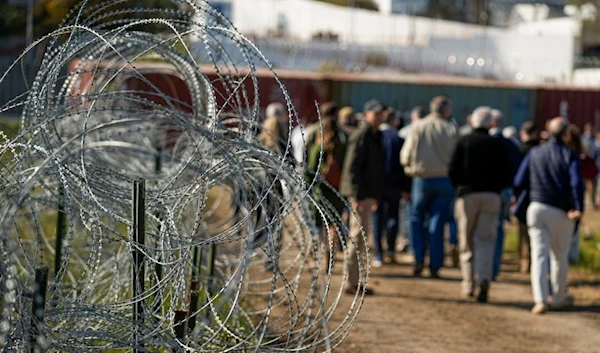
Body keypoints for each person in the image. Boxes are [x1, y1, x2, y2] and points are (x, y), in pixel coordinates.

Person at [514, 116, 584, 314]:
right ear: (566, 134)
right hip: (561, 211)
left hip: (536, 208)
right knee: (559, 256)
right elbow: (576, 184)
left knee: (539, 255)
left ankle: (540, 299)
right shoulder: (570, 156)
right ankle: (558, 297)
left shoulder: (535, 153)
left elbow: (519, 181)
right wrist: (578, 208)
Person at [449, 107, 512, 302]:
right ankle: (484, 278)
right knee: (486, 240)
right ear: (491, 123)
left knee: (466, 240)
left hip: (468, 196)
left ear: (472, 122)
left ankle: (468, 283)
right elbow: (508, 172)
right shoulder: (498, 144)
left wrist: (459, 188)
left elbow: (452, 168)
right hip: (492, 196)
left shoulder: (464, 141)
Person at [400, 96, 458, 278]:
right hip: (444, 180)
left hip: (422, 179)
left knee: (416, 218)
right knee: (438, 222)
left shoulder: (418, 127)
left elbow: (405, 155)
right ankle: (435, 263)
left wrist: (410, 169)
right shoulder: (451, 129)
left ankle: (418, 258)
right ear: (446, 110)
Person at [339, 99, 386, 295]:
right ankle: (350, 282)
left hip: (367, 194)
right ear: (366, 114)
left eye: (381, 114)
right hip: (360, 194)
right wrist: (357, 194)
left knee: (362, 237)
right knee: (357, 237)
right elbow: (353, 166)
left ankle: (355, 280)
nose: (380, 117)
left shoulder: (375, 135)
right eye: (376, 114)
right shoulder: (362, 135)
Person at [305, 102, 348, 272]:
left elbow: (309, 165)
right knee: (333, 226)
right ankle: (329, 255)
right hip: (337, 188)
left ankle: (314, 252)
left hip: (319, 189)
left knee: (317, 224)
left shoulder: (315, 139)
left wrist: (307, 185)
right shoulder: (343, 139)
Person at [372, 108, 411, 267]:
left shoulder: (376, 137)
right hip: (395, 185)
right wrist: (406, 187)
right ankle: (391, 249)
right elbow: (404, 165)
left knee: (377, 219)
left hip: (377, 185)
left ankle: (378, 253)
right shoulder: (399, 138)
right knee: (393, 217)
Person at [489, 109, 521, 280]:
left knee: (485, 229)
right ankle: (495, 267)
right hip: (506, 191)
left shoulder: (486, 142)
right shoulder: (511, 144)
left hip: (489, 191)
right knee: (500, 227)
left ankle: (484, 268)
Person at [565, 125, 598, 264]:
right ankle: (573, 256)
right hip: (575, 196)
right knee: (574, 229)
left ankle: (570, 256)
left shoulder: (567, 154)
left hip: (562, 196)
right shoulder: (580, 156)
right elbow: (593, 171)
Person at [515, 121, 540, 273]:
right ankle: (532, 260)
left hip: (523, 195)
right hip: (539, 195)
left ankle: (524, 261)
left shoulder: (519, 150)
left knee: (523, 229)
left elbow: (517, 178)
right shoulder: (540, 150)